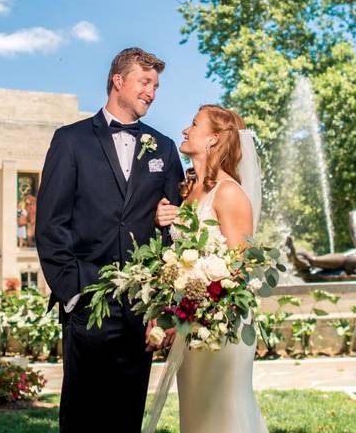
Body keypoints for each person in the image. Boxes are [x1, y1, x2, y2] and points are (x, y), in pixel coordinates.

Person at [35, 47, 184, 432]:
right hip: (87, 300)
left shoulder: (164, 148)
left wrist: (164, 306)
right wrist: (74, 291)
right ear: (118, 81)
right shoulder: (71, 140)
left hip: (140, 307)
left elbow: (176, 232)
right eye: (145, 82)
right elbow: (51, 224)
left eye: (155, 85)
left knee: (126, 414)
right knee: (82, 414)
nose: (151, 92)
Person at [154, 104, 269, 433]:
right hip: (191, 325)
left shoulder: (230, 193)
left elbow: (237, 271)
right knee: (196, 416)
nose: (185, 130)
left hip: (222, 327)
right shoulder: (189, 191)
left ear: (213, 139)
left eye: (193, 124)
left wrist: (189, 312)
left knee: (224, 416)